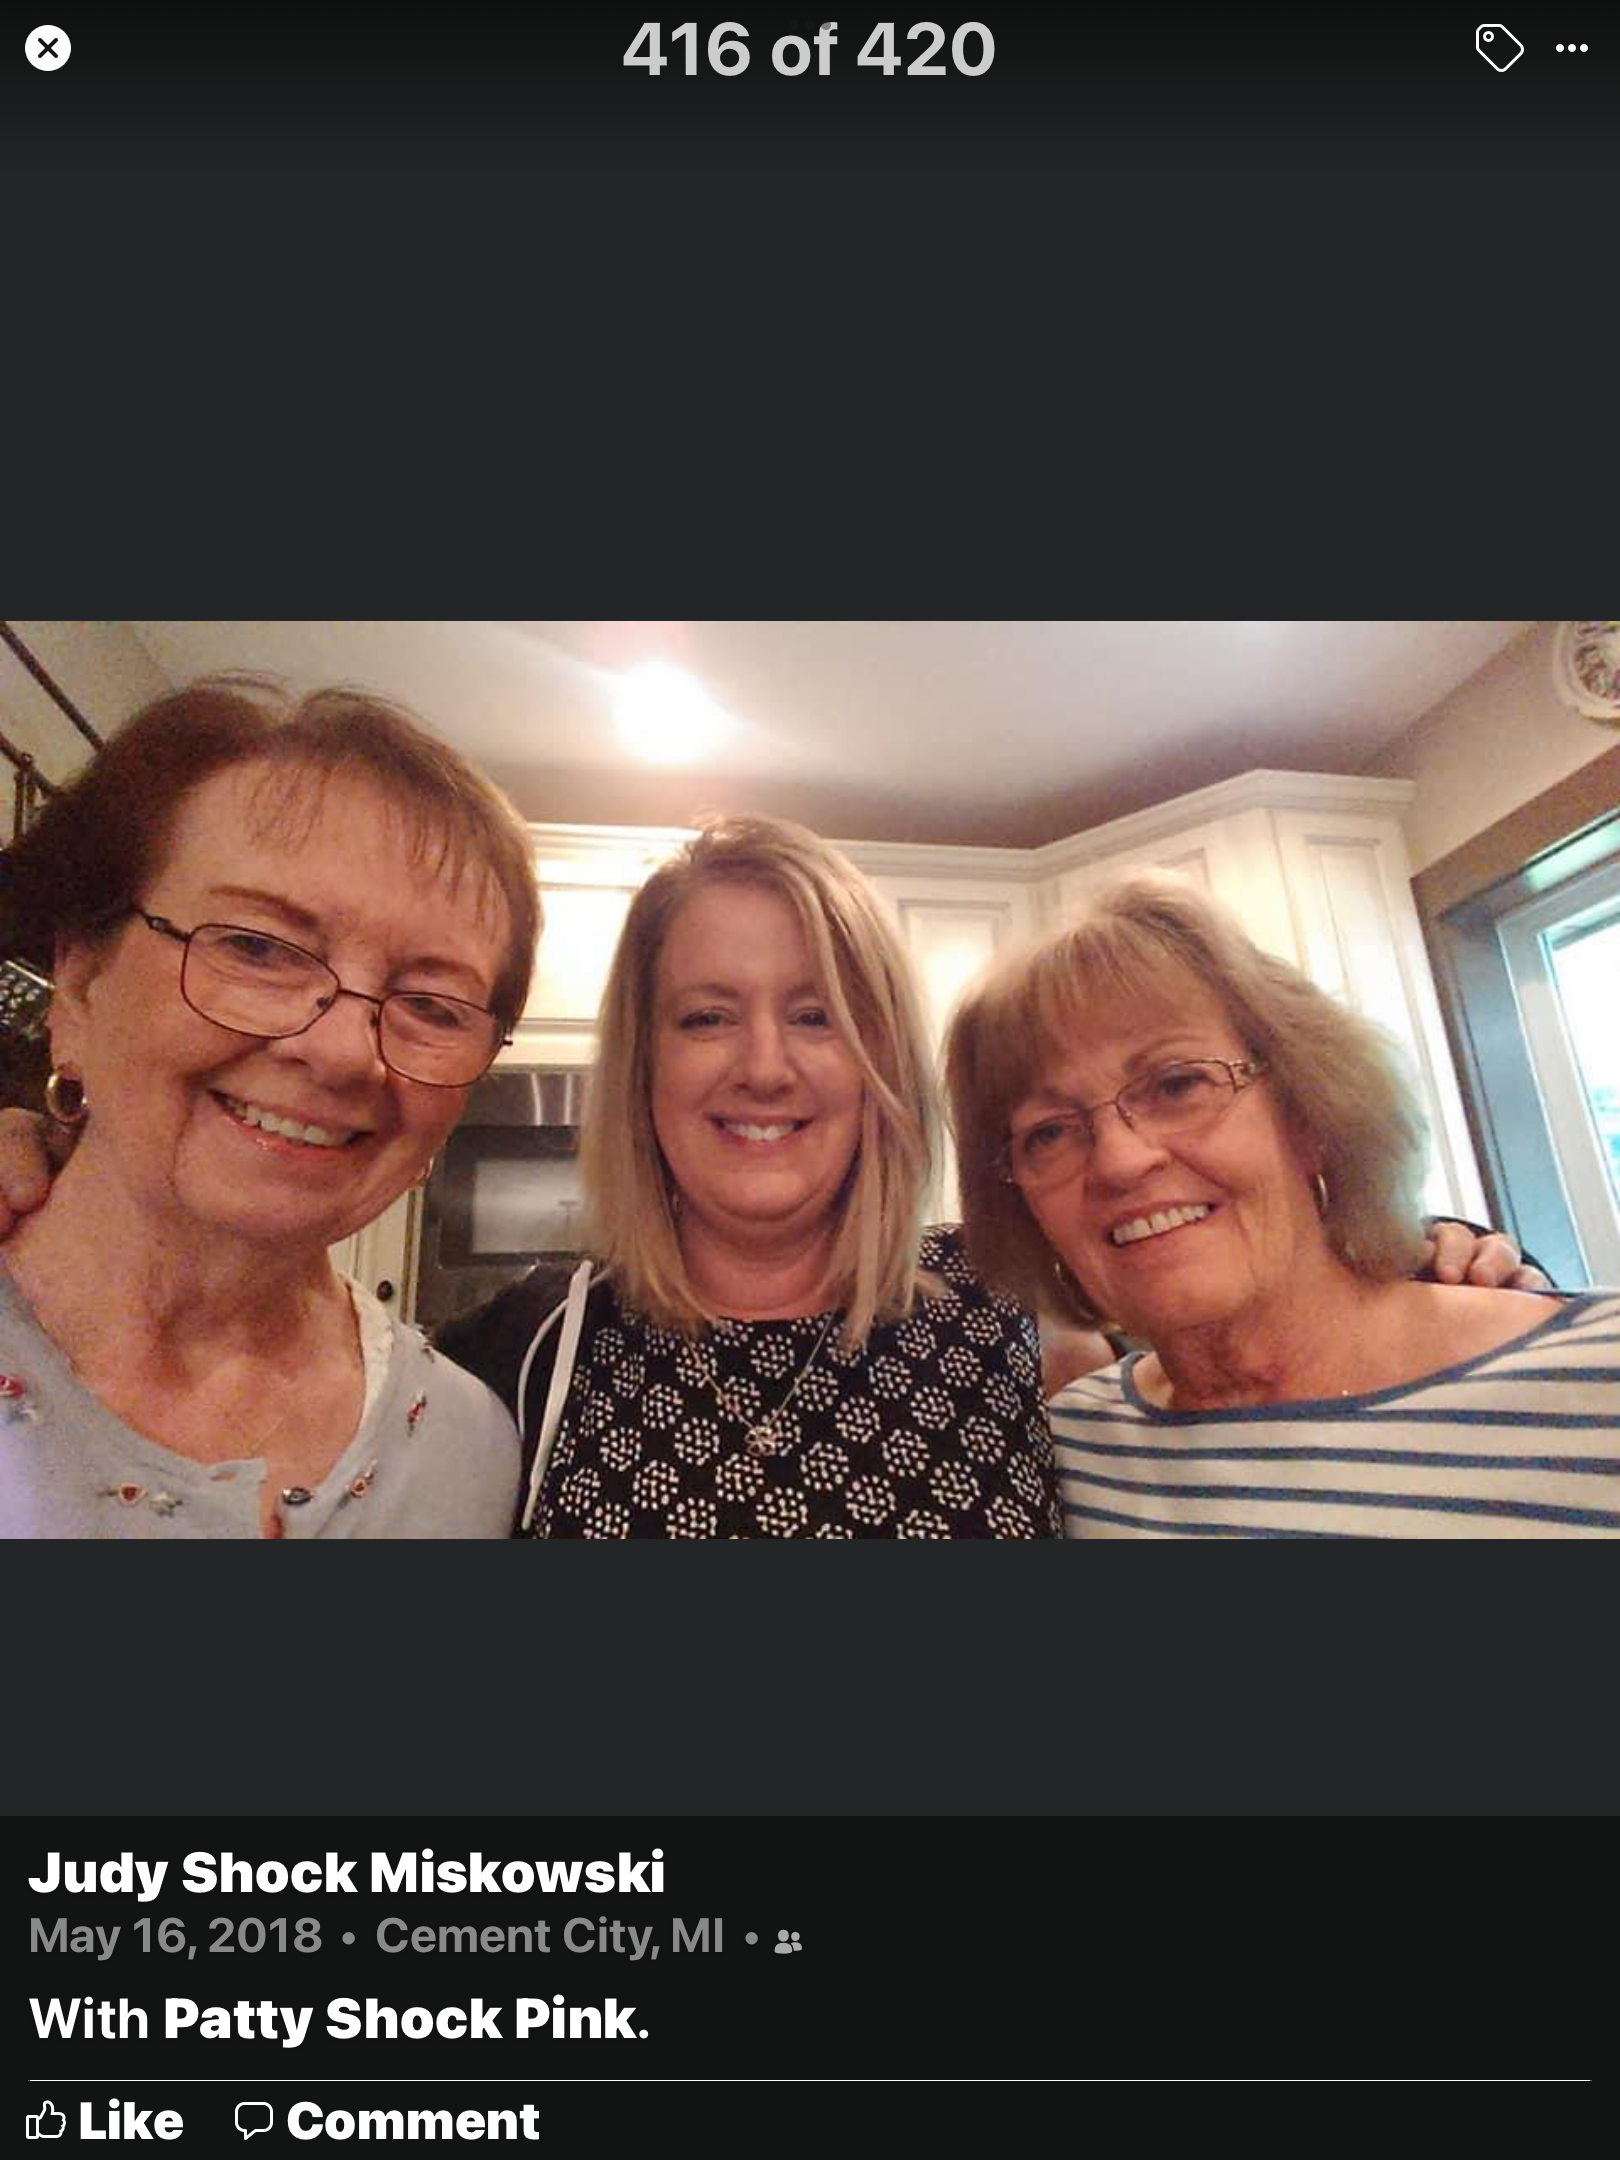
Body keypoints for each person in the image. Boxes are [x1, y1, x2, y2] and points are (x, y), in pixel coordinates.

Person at [0, 678, 539, 1538]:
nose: (342, 1052)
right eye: (257, 947)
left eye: (432, 1006)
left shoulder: (467, 1447)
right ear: (80, 980)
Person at [438, 816, 1063, 1537]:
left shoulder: (1010, 1303)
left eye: (815, 1016)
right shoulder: (530, 1349)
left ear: (882, 1064)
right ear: (644, 1064)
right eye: (707, 1018)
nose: (765, 1069)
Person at [943, 874, 1620, 1538]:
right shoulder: (1057, 1458)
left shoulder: (1596, 1377)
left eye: (1177, 1085)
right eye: (1049, 1133)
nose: (1120, 1161)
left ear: (1310, 1112)